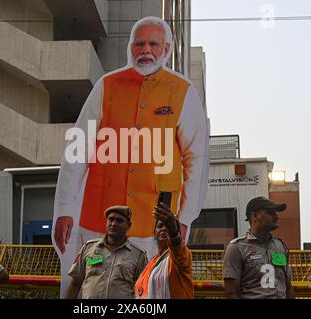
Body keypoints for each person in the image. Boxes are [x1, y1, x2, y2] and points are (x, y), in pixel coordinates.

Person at [53, 15, 209, 297]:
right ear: (130, 47)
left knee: (147, 293)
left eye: (153, 43)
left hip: (153, 224)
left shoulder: (182, 92)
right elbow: (77, 150)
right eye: (139, 43)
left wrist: (184, 217)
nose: (145, 50)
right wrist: (65, 208)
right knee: (92, 287)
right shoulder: (107, 85)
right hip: (98, 219)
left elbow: (195, 159)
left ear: (166, 49)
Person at [66, 206, 148, 299]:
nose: (113, 224)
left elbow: (142, 291)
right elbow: (75, 283)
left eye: (119, 220)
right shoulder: (89, 247)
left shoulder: (138, 254)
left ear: (129, 226)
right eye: (111, 219)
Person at [223, 197, 295, 299]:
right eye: (270, 212)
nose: (276, 216)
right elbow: (231, 292)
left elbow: (288, 287)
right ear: (255, 216)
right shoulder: (236, 248)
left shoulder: (280, 246)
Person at [135, 202, 193, 299]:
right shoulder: (152, 262)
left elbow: (177, 248)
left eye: (167, 226)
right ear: (154, 233)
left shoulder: (182, 255)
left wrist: (173, 231)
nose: (164, 228)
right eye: (160, 226)